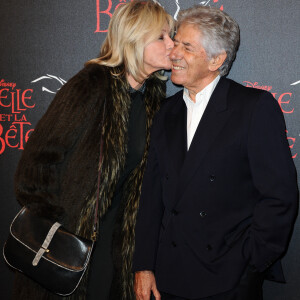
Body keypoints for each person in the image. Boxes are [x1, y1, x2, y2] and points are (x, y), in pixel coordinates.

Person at [133, 5, 298, 300]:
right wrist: (144, 264)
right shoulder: (165, 113)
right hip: (168, 279)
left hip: (228, 281)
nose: (174, 53)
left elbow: (279, 197)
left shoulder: (253, 108)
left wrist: (250, 265)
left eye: (187, 46)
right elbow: (152, 195)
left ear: (216, 60)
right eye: (175, 42)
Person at [11, 1, 174, 300]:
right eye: (162, 36)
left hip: (114, 248)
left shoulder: (153, 98)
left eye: (171, 35)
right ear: (134, 39)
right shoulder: (90, 86)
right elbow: (35, 166)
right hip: (67, 244)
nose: (171, 44)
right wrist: (59, 226)